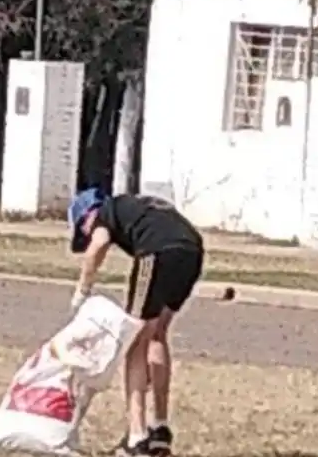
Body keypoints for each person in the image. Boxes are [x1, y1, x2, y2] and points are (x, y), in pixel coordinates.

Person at [67, 187, 204, 457]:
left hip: (157, 252)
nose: (86, 236)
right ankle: (160, 429)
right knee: (157, 334)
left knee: (134, 340)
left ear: (87, 217)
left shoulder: (105, 215)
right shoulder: (138, 206)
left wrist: (81, 292)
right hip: (192, 252)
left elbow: (98, 247)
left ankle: (137, 437)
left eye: (83, 231)